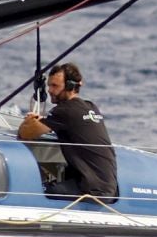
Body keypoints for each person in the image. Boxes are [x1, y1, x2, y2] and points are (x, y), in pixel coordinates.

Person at [17, 61, 118, 199]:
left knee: (37, 193)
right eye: (49, 86)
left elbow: (25, 133)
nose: (50, 91)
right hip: (107, 187)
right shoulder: (90, 107)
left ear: (70, 87)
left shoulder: (64, 111)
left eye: (55, 86)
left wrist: (30, 120)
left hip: (89, 188)